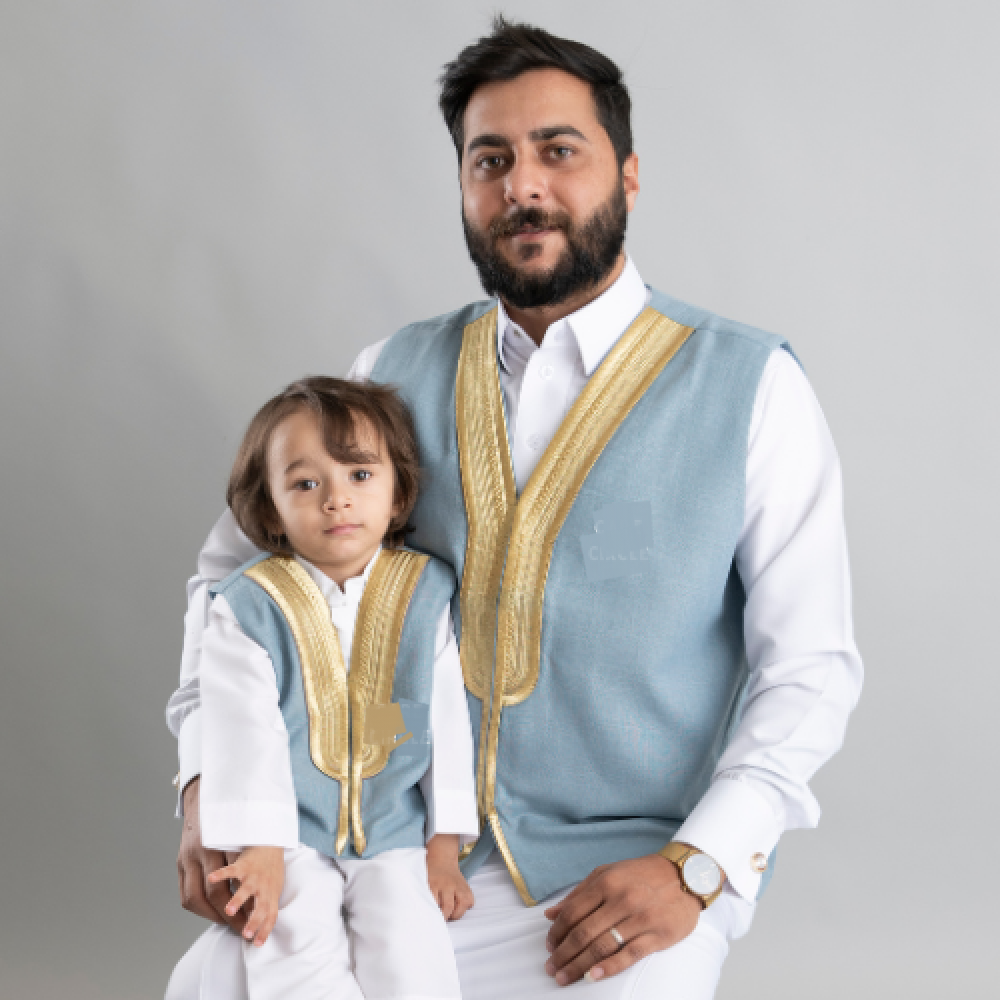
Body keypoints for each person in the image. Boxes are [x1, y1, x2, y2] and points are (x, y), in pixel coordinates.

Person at [167, 18, 863, 1000]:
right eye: (489, 160)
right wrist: (204, 791)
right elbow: (231, 584)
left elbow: (810, 670)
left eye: (558, 151)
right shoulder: (390, 372)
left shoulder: (750, 386)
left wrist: (698, 867)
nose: (522, 186)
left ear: (628, 175)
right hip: (382, 856)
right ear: (462, 186)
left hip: (623, 874)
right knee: (215, 980)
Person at [173, 376, 478, 1000]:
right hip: (291, 833)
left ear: (399, 493)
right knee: (288, 939)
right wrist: (261, 845)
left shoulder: (426, 595)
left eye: (360, 475)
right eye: (307, 485)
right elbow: (245, 730)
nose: (337, 500)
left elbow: (441, 721)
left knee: (412, 951)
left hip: (394, 830)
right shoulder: (246, 606)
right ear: (270, 510)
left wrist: (443, 848)